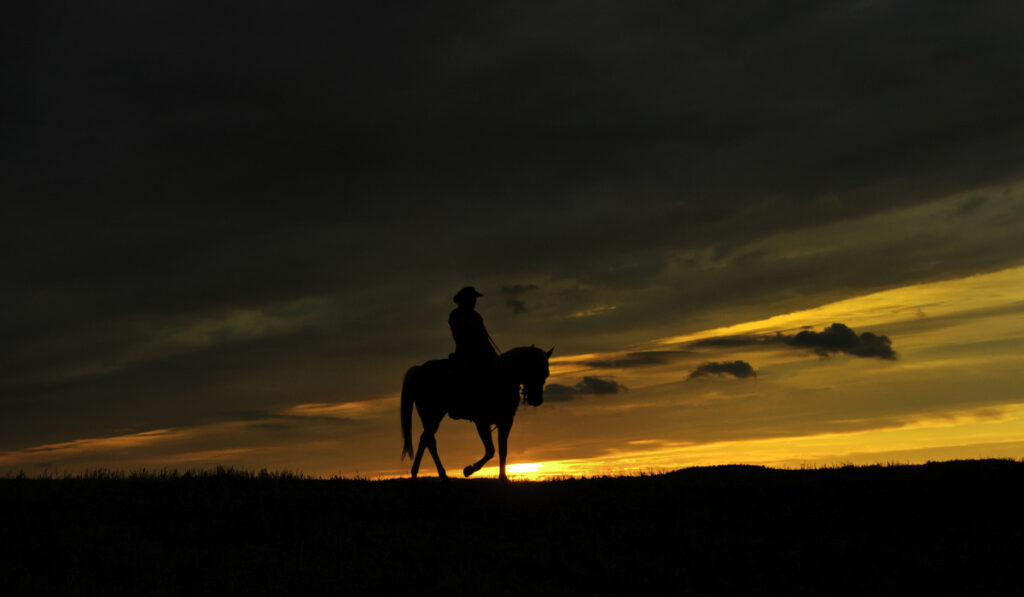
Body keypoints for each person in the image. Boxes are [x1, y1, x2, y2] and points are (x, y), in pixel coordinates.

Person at [448, 286, 499, 419]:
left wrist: (492, 352)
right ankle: (459, 406)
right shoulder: (456, 315)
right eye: (472, 299)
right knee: (465, 374)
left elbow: (484, 336)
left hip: (484, 351)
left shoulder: (477, 316)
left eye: (474, 299)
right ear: (465, 300)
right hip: (465, 351)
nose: (474, 302)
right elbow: (461, 336)